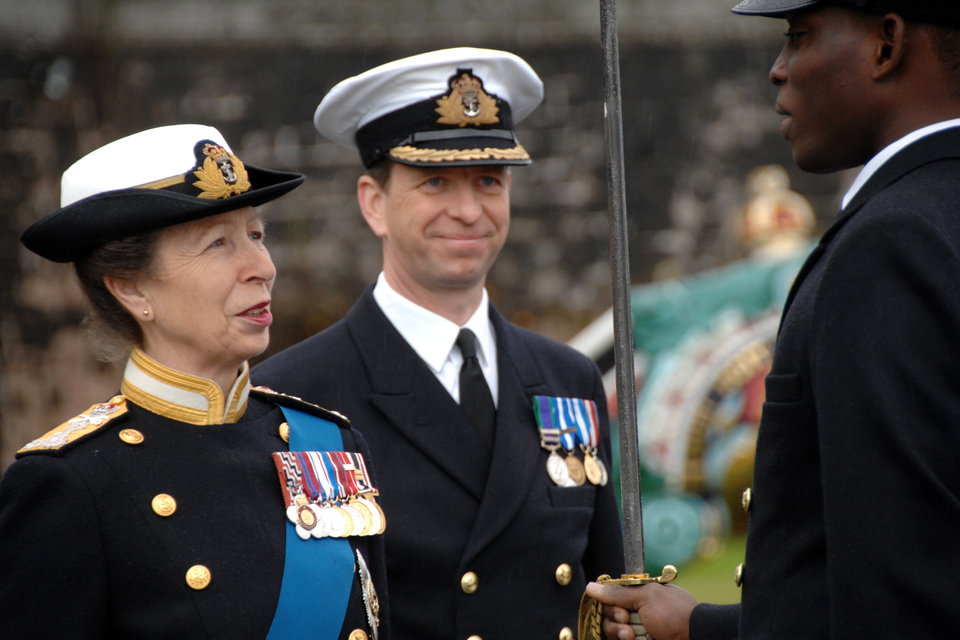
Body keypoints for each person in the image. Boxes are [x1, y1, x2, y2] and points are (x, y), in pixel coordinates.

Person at [585, 1, 960, 639]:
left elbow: (899, 595)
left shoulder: (890, 245)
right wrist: (701, 627)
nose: (777, 70)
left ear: (886, 44)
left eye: (799, 36)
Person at [254, 48, 625, 640]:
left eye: (488, 181)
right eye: (435, 181)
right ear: (373, 203)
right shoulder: (293, 396)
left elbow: (609, 592)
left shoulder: (568, 376)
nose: (469, 210)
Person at [0, 124, 389, 640]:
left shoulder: (330, 444)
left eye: (256, 234)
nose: (262, 266)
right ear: (132, 288)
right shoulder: (71, 483)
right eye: (218, 243)